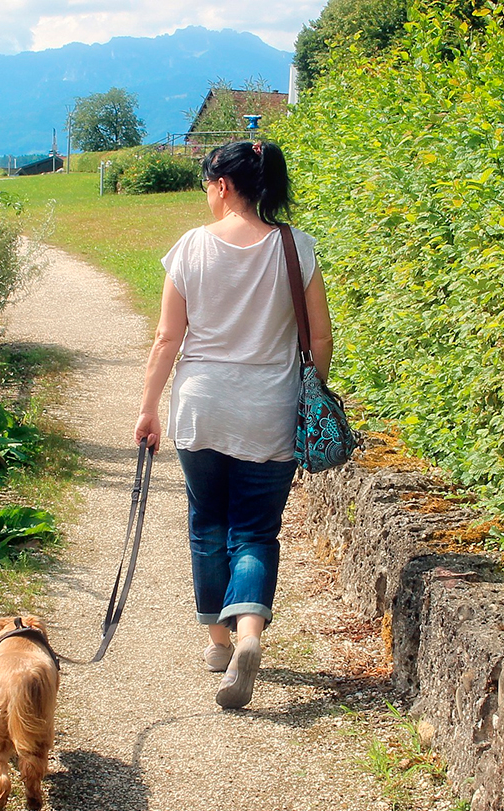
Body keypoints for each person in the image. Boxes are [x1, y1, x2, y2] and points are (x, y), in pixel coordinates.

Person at [133, 140, 333, 709]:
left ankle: (219, 643)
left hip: (201, 407)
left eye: (206, 184)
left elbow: (168, 338)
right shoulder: (297, 247)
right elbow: (320, 338)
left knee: (207, 523)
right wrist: (306, 393)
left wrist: (149, 407)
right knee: (255, 530)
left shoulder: (191, 247)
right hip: (268, 410)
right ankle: (249, 631)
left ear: (222, 185)